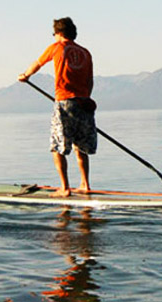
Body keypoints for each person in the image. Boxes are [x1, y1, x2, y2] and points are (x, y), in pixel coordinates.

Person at [18, 17, 97, 197]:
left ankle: (64, 188)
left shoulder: (57, 48)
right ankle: (85, 184)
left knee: (57, 146)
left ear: (59, 33)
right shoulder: (85, 52)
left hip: (65, 102)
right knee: (81, 147)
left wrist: (25, 76)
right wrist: (85, 97)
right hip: (85, 103)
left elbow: (37, 64)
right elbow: (90, 81)